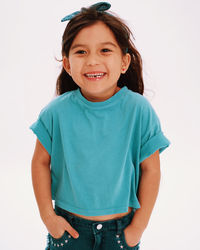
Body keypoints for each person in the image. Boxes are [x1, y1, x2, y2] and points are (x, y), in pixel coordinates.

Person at [29, 2, 171, 249]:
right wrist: (48, 217)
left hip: (120, 232)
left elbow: (151, 170)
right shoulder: (56, 112)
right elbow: (40, 161)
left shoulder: (139, 110)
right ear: (67, 64)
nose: (92, 60)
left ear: (124, 62)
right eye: (81, 52)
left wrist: (138, 227)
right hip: (69, 230)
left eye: (105, 50)